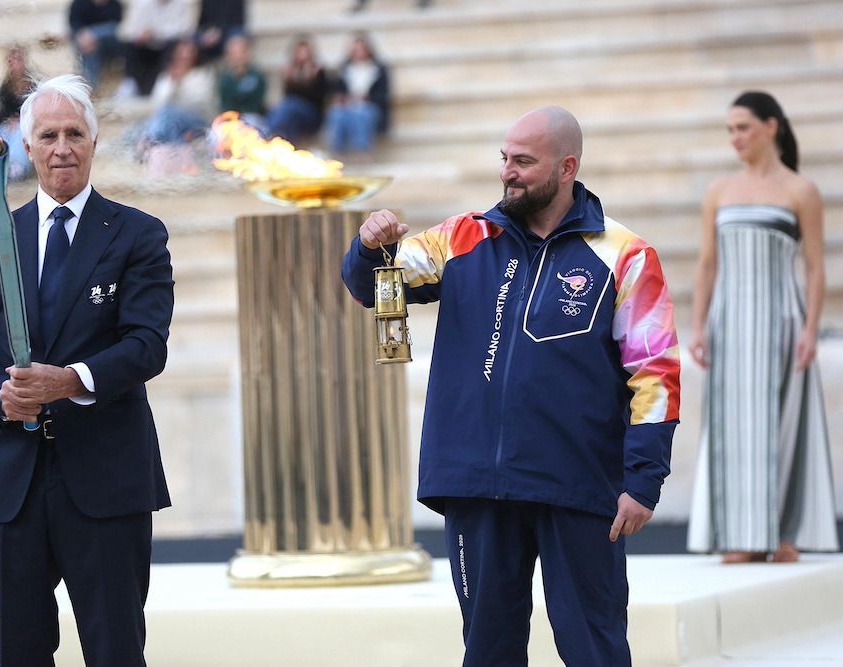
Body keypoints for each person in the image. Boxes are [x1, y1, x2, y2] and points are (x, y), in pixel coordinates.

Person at [342, 106, 681, 666]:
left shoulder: (626, 254)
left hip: (578, 485)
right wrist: (368, 244)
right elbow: (374, 286)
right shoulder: (462, 236)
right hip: (477, 484)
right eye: (505, 158)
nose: (509, 172)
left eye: (524, 161)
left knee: (595, 649)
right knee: (488, 653)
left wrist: (644, 479)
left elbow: (656, 372)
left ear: (567, 167)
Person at [0, 74, 173, 666]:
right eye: (47, 135)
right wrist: (1, 397)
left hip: (105, 479)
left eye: (74, 133)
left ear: (94, 144)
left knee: (115, 652)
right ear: (27, 147)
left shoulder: (138, 235)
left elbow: (147, 345)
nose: (61, 148)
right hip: (11, 486)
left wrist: (71, 380)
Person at [686, 91, 838, 563]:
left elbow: (815, 267)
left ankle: (783, 533)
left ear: (772, 127)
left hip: (784, 320)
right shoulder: (719, 191)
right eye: (730, 130)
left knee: (786, 421)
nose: (735, 138)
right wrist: (698, 326)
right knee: (732, 424)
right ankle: (740, 535)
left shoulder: (801, 191)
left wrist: (811, 329)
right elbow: (707, 264)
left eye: (743, 128)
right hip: (730, 322)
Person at [324, 33, 390, 156]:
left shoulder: (379, 70)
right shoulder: (344, 70)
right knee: (336, 113)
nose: (359, 53)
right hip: (348, 107)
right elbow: (336, 91)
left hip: (370, 108)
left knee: (361, 113)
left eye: (361, 49)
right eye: (356, 50)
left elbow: (383, 96)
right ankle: (336, 152)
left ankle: (362, 152)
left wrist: (366, 98)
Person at [116, 0, 194, 98]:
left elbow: (184, 30)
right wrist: (140, 35)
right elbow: (128, 30)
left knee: (172, 45)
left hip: (167, 46)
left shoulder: (181, 4)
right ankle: (130, 83)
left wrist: (156, 33)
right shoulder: (143, 3)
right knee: (129, 45)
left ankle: (163, 83)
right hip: (146, 46)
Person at [266, 35, 328, 144]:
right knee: (285, 114)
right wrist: (290, 80)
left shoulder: (318, 71)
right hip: (294, 113)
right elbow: (287, 95)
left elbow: (318, 99)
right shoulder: (290, 71)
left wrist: (308, 80)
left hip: (312, 115)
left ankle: (270, 134)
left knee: (290, 106)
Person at [0, 45, 38, 182]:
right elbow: (0, 113)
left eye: (18, 60)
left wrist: (20, 120)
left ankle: (17, 167)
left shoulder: (33, 86)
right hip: (8, 125)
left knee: (20, 133)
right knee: (0, 134)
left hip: (26, 124)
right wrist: (8, 120)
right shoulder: (4, 88)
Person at [68, 0, 124, 92]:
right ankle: (91, 86)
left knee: (90, 43)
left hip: (110, 45)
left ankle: (89, 86)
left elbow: (114, 28)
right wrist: (87, 39)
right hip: (87, 45)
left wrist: (92, 35)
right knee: (90, 48)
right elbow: (74, 28)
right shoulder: (78, 4)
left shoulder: (115, 4)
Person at [217, 33, 267, 130]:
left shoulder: (256, 76)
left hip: (252, 118)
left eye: (240, 52)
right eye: (233, 53)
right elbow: (226, 103)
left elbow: (255, 103)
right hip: (231, 120)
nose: (237, 56)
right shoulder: (224, 79)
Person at [194, 0, 245, 65]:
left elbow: (238, 21)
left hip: (230, 31)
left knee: (236, 41)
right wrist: (206, 33)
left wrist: (219, 32)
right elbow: (202, 22)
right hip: (210, 31)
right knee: (190, 41)